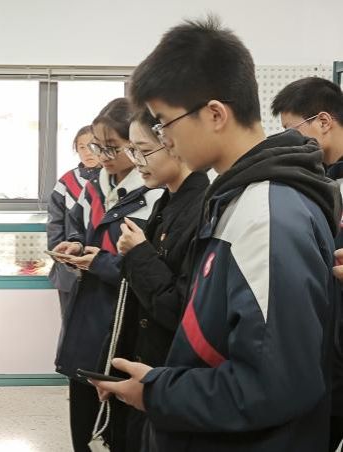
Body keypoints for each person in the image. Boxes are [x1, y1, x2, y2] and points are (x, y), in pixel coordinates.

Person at [92, 17, 342, 452]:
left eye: (165, 123)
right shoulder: (238, 198)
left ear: (214, 114)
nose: (165, 140)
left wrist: (158, 393)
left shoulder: (267, 214)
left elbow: (273, 384)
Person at [52, 98, 163, 451]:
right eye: (97, 146)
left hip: (126, 318)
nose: (102, 155)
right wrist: (74, 246)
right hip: (88, 311)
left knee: (119, 422)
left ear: (136, 143)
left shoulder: (155, 193)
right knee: (82, 414)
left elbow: (150, 269)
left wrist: (98, 262)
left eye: (112, 147)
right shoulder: (93, 186)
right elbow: (77, 228)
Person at [99, 108, 209, 450]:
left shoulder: (201, 208)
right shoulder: (167, 201)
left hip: (170, 373)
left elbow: (178, 308)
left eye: (144, 151)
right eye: (132, 151)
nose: (137, 162)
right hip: (144, 363)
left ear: (174, 142)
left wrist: (139, 253)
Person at [271, 77, 343, 452]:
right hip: (326, 346)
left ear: (323, 121)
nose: (290, 140)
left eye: (292, 129)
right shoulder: (320, 179)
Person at [47, 125, 101, 318]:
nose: (87, 152)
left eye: (92, 146)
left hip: (101, 266)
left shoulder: (112, 179)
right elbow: (55, 223)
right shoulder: (66, 182)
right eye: (81, 147)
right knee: (70, 322)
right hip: (70, 271)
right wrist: (61, 256)